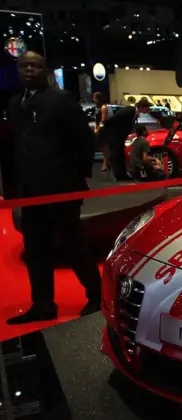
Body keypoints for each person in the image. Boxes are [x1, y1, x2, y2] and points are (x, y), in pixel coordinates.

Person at [7, 51, 102, 325]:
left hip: (61, 189)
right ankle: (43, 305)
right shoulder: (15, 104)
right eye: (24, 66)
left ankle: (96, 296)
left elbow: (84, 142)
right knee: (35, 249)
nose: (29, 70)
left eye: (35, 66)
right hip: (29, 191)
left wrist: (76, 180)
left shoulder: (62, 101)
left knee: (74, 247)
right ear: (18, 69)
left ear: (45, 70)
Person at [101, 97, 150, 181]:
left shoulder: (134, 113)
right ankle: (119, 176)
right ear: (142, 106)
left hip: (118, 136)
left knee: (119, 155)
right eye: (147, 108)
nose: (148, 110)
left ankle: (122, 174)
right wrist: (105, 126)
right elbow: (115, 118)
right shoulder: (129, 110)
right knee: (116, 155)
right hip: (114, 135)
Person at [92, 92, 110, 173]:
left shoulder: (103, 107)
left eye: (94, 98)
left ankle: (105, 164)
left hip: (103, 129)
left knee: (104, 146)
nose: (93, 99)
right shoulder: (97, 107)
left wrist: (98, 129)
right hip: (98, 128)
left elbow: (103, 120)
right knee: (102, 147)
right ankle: (106, 163)